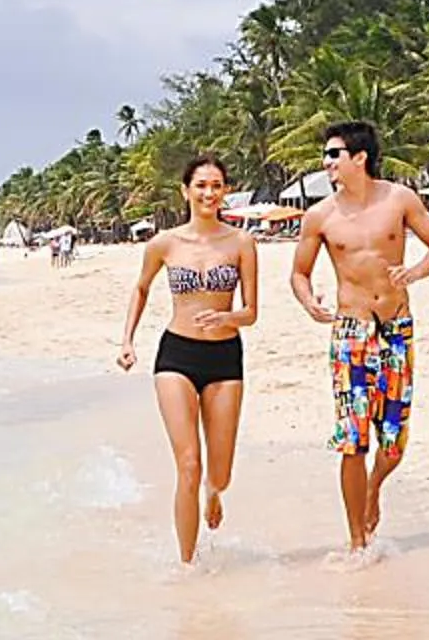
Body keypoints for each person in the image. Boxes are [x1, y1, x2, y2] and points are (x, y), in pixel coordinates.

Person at [290, 120, 429, 562]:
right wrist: (309, 303)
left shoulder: (399, 199)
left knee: (393, 441)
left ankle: (374, 488)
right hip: (350, 332)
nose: (326, 163)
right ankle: (357, 542)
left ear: (359, 158)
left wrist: (414, 273)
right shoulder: (319, 215)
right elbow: (299, 272)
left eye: (333, 154)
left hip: (396, 328)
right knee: (352, 441)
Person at [115, 154, 257, 566]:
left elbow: (251, 311)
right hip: (176, 354)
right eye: (201, 185)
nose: (209, 193)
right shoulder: (164, 243)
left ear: (225, 190)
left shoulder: (241, 243)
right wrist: (127, 340)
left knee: (220, 472)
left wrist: (227, 316)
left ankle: (215, 492)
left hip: (225, 357)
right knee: (188, 465)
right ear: (186, 191)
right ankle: (188, 566)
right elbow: (140, 289)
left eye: (216, 185)